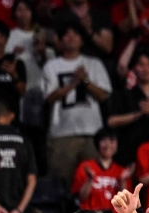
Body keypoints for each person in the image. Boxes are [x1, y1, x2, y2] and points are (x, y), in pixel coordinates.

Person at [41, 23, 112, 186]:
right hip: (61, 135)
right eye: (66, 34)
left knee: (92, 184)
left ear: (82, 40)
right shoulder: (51, 66)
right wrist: (73, 83)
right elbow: (49, 97)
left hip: (91, 134)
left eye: (76, 34)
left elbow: (103, 95)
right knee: (60, 185)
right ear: (59, 40)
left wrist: (85, 81)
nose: (71, 37)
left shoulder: (94, 63)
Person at [70, 128, 132, 213]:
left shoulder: (122, 172)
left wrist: (123, 181)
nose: (108, 145)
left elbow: (125, 203)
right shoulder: (85, 167)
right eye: (104, 141)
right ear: (97, 144)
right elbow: (81, 198)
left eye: (112, 141)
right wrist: (90, 179)